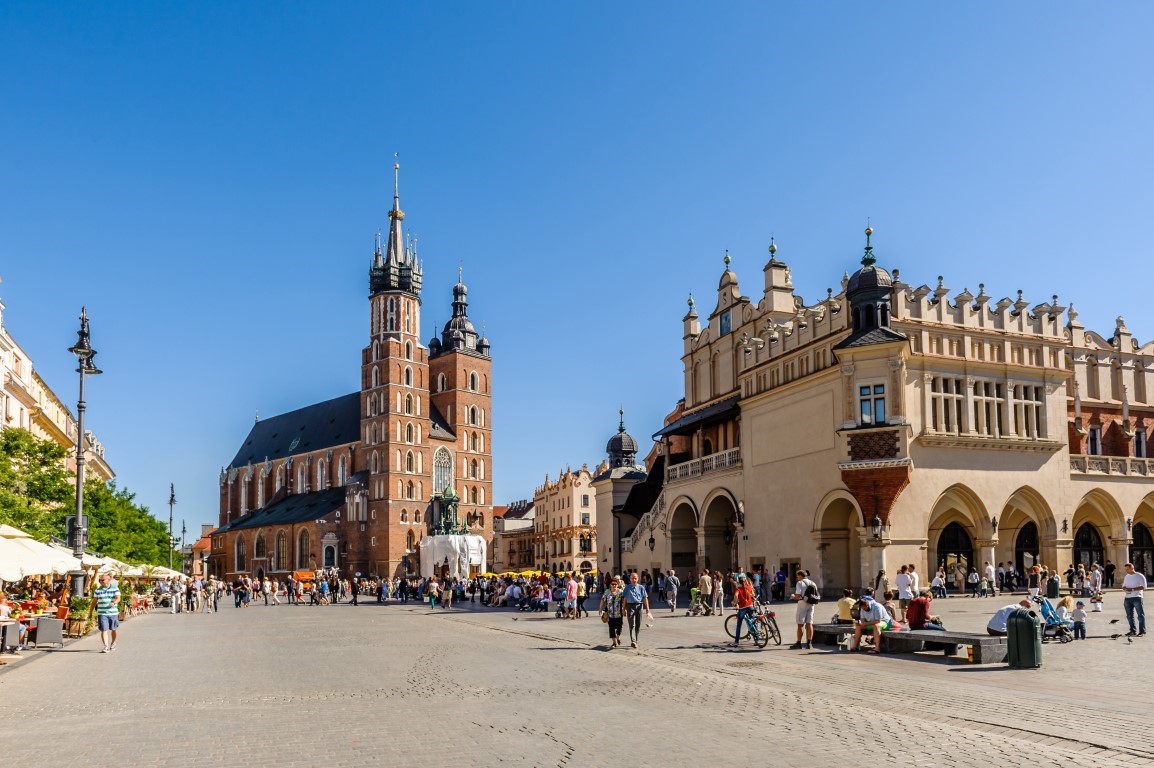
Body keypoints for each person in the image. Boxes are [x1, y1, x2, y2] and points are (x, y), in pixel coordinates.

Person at [622, 571, 652, 648]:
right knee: (631, 624)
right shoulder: (627, 588)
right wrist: (623, 609)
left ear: (638, 579)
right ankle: (633, 641)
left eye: (635, 578)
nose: (633, 580)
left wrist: (647, 609)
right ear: (630, 579)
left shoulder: (641, 587)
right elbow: (624, 599)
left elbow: (645, 598)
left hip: (639, 606)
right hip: (630, 606)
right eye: (632, 578)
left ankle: (636, 639)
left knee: (638, 624)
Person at [791, 569, 819, 650]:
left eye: (797, 576)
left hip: (802, 603)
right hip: (811, 603)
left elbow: (797, 595)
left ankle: (798, 643)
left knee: (800, 624)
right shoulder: (813, 583)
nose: (797, 578)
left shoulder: (800, 583)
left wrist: (793, 597)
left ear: (800, 575)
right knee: (809, 623)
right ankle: (809, 643)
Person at [94, 572, 121, 653]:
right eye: (100, 580)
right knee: (103, 630)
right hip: (102, 613)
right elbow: (94, 601)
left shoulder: (115, 589)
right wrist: (91, 611)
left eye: (102, 580)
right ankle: (105, 646)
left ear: (108, 580)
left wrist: (114, 602)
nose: (101, 581)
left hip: (113, 613)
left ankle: (113, 643)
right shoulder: (97, 590)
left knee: (114, 629)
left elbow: (118, 598)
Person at [1121, 562, 1147, 637]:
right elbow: (1123, 586)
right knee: (1129, 615)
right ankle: (1132, 630)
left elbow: (1144, 587)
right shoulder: (1127, 576)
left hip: (1137, 597)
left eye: (1128, 569)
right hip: (1127, 598)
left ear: (1132, 568)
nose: (1126, 571)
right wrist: (1125, 588)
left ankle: (1142, 631)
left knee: (1140, 615)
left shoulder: (1139, 576)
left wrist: (1132, 589)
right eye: (1125, 569)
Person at [730, 574, 755, 647]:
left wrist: (734, 602)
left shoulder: (738, 589)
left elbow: (736, 596)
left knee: (739, 625)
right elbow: (753, 594)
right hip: (750, 606)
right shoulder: (749, 587)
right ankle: (757, 637)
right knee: (752, 621)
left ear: (739, 583)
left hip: (742, 608)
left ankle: (736, 641)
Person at [601, 577, 625, 648]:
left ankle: (618, 636)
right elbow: (603, 600)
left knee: (619, 627)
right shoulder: (607, 592)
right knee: (611, 628)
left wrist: (624, 609)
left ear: (617, 585)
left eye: (615, 584)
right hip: (610, 614)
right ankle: (614, 643)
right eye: (613, 584)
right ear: (610, 585)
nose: (614, 585)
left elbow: (624, 601)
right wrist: (600, 609)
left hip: (619, 613)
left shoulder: (620, 592)